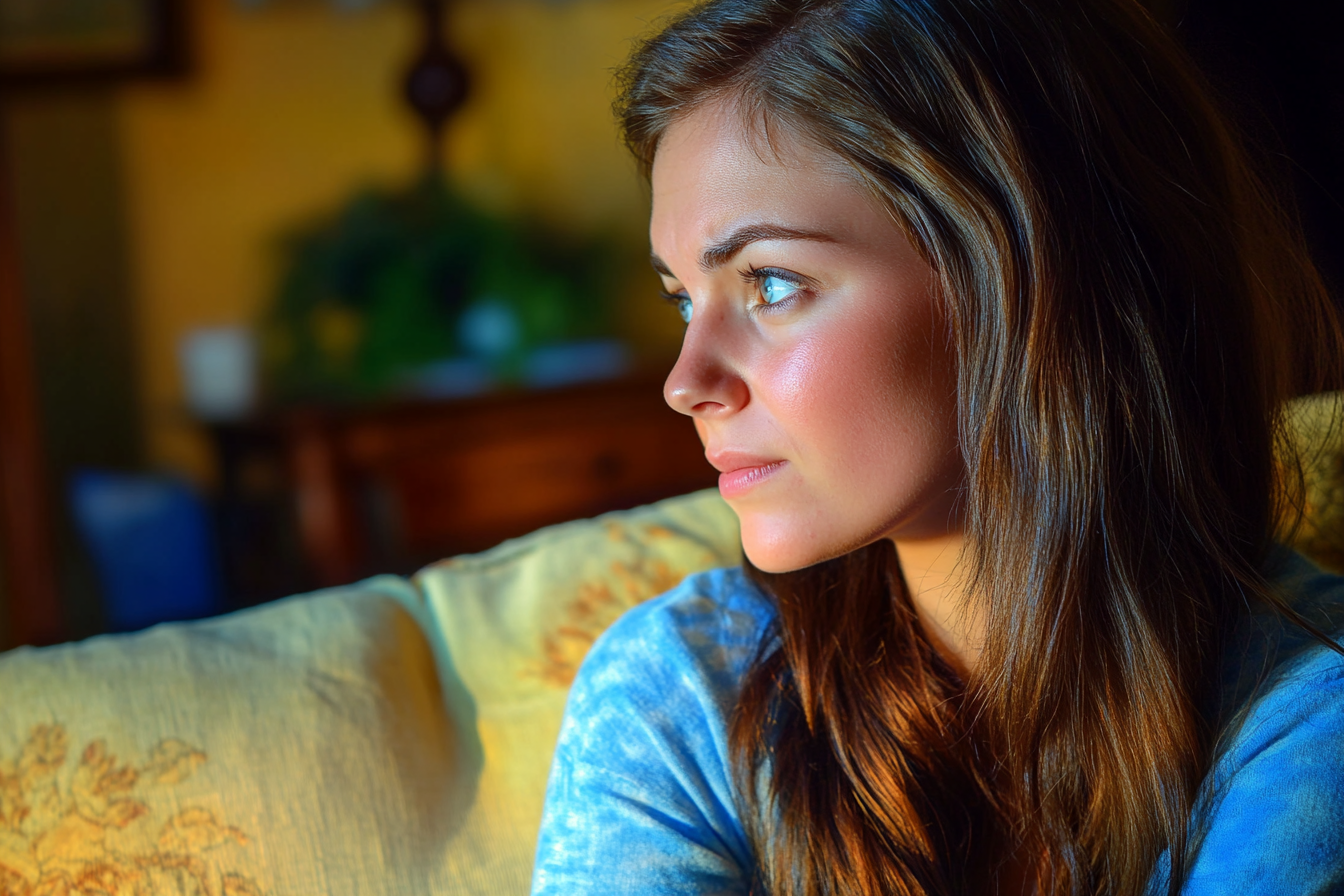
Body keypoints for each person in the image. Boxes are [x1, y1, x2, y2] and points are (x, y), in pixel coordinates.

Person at [531, 0, 1344, 893]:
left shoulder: (1309, 706)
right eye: (682, 298)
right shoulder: (681, 696)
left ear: (1035, 280)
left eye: (770, 282)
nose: (686, 382)